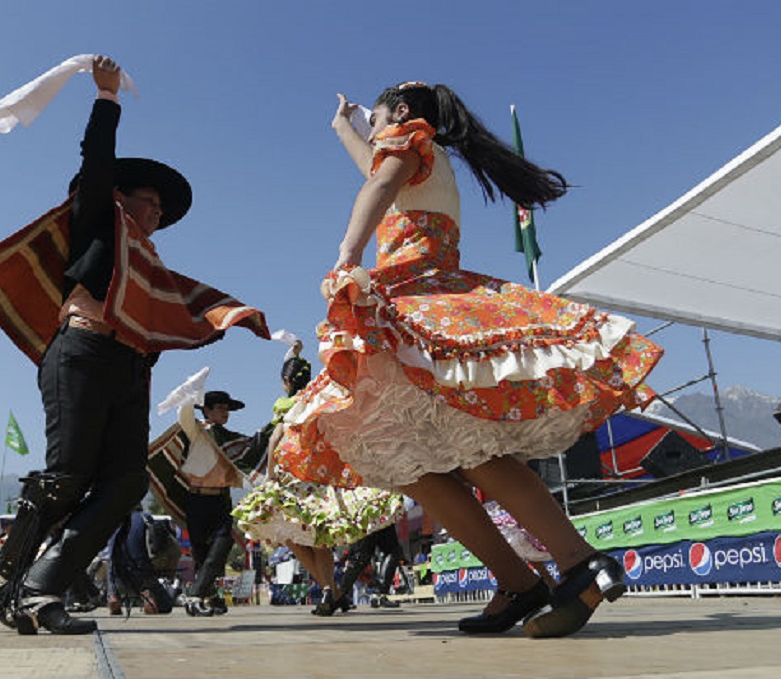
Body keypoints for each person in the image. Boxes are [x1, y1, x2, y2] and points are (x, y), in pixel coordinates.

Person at [277, 83, 663, 638]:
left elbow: (380, 179)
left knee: (466, 449)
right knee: (414, 459)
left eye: (378, 120)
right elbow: (377, 172)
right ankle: (519, 579)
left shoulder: (411, 141)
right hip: (418, 300)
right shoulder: (424, 157)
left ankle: (574, 564)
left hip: (423, 301)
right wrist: (345, 126)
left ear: (402, 116)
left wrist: (346, 256)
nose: (376, 131)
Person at [0, 55, 268, 635]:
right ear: (117, 197)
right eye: (148, 202)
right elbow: (97, 163)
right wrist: (106, 98)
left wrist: (231, 313)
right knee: (67, 476)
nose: (156, 213)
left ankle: (36, 586)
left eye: (161, 208)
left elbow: (182, 304)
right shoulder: (98, 225)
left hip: (131, 368)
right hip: (81, 353)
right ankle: (6, 578)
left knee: (127, 483)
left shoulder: (152, 268)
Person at [232, 342, 404, 616]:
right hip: (317, 476)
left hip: (291, 477)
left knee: (294, 538)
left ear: (286, 381)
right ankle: (331, 591)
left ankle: (330, 589)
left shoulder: (285, 406)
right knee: (317, 537)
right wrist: (294, 355)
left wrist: (271, 473)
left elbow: (276, 438)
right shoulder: (316, 399)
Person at [181, 390, 245, 617]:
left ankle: (196, 595)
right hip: (197, 498)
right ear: (206, 410)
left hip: (221, 498)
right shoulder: (198, 431)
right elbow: (184, 415)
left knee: (223, 543)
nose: (224, 412)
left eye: (226, 408)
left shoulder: (229, 438)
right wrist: (192, 392)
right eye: (219, 407)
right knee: (201, 552)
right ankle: (209, 598)